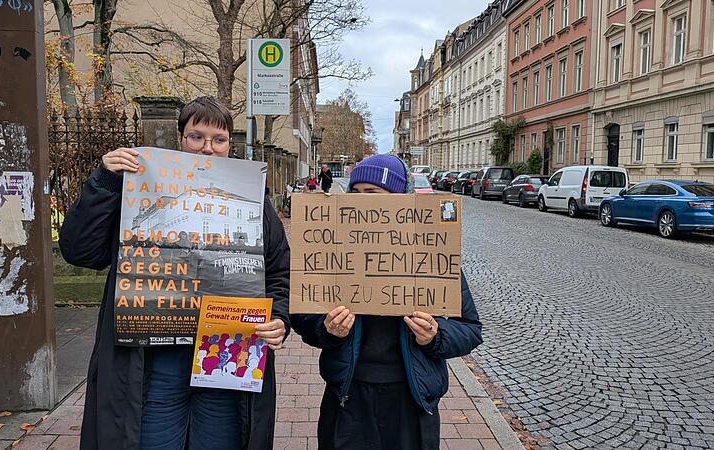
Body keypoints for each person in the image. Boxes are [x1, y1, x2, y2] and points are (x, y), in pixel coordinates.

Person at [59, 96, 291, 450]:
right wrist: (104, 182)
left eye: (219, 139)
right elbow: (81, 251)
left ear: (230, 144)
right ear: (181, 139)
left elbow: (278, 270)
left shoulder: (252, 199)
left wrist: (278, 317)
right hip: (156, 362)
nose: (207, 149)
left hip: (225, 356)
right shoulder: (140, 190)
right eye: (196, 137)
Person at [291, 154, 483, 450]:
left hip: (412, 399)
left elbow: (470, 329)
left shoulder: (432, 254)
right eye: (355, 193)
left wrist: (435, 336)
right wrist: (326, 329)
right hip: (348, 395)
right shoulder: (332, 250)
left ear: (399, 202)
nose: (361, 203)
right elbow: (303, 315)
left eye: (373, 194)